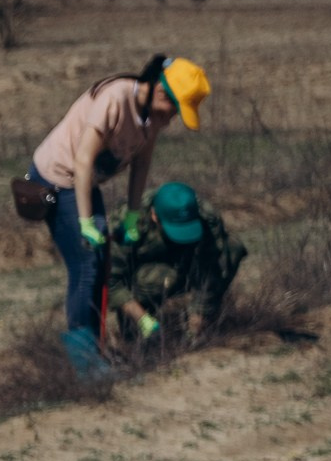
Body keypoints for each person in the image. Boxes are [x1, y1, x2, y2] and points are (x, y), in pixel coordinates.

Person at [25, 55, 211, 368]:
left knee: (101, 262)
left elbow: (141, 165)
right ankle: (82, 361)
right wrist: (85, 222)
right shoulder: (115, 99)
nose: (172, 119)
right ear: (161, 92)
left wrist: (132, 216)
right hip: (57, 179)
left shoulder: (151, 118)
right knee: (86, 263)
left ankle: (94, 348)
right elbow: (83, 160)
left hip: (84, 182)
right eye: (174, 110)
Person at [108, 179, 245, 342]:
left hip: (184, 261)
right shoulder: (129, 222)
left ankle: (199, 325)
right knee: (160, 279)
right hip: (142, 273)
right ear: (154, 216)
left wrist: (197, 321)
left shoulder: (205, 217)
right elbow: (111, 281)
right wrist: (143, 320)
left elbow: (210, 269)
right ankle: (134, 329)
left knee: (231, 249)